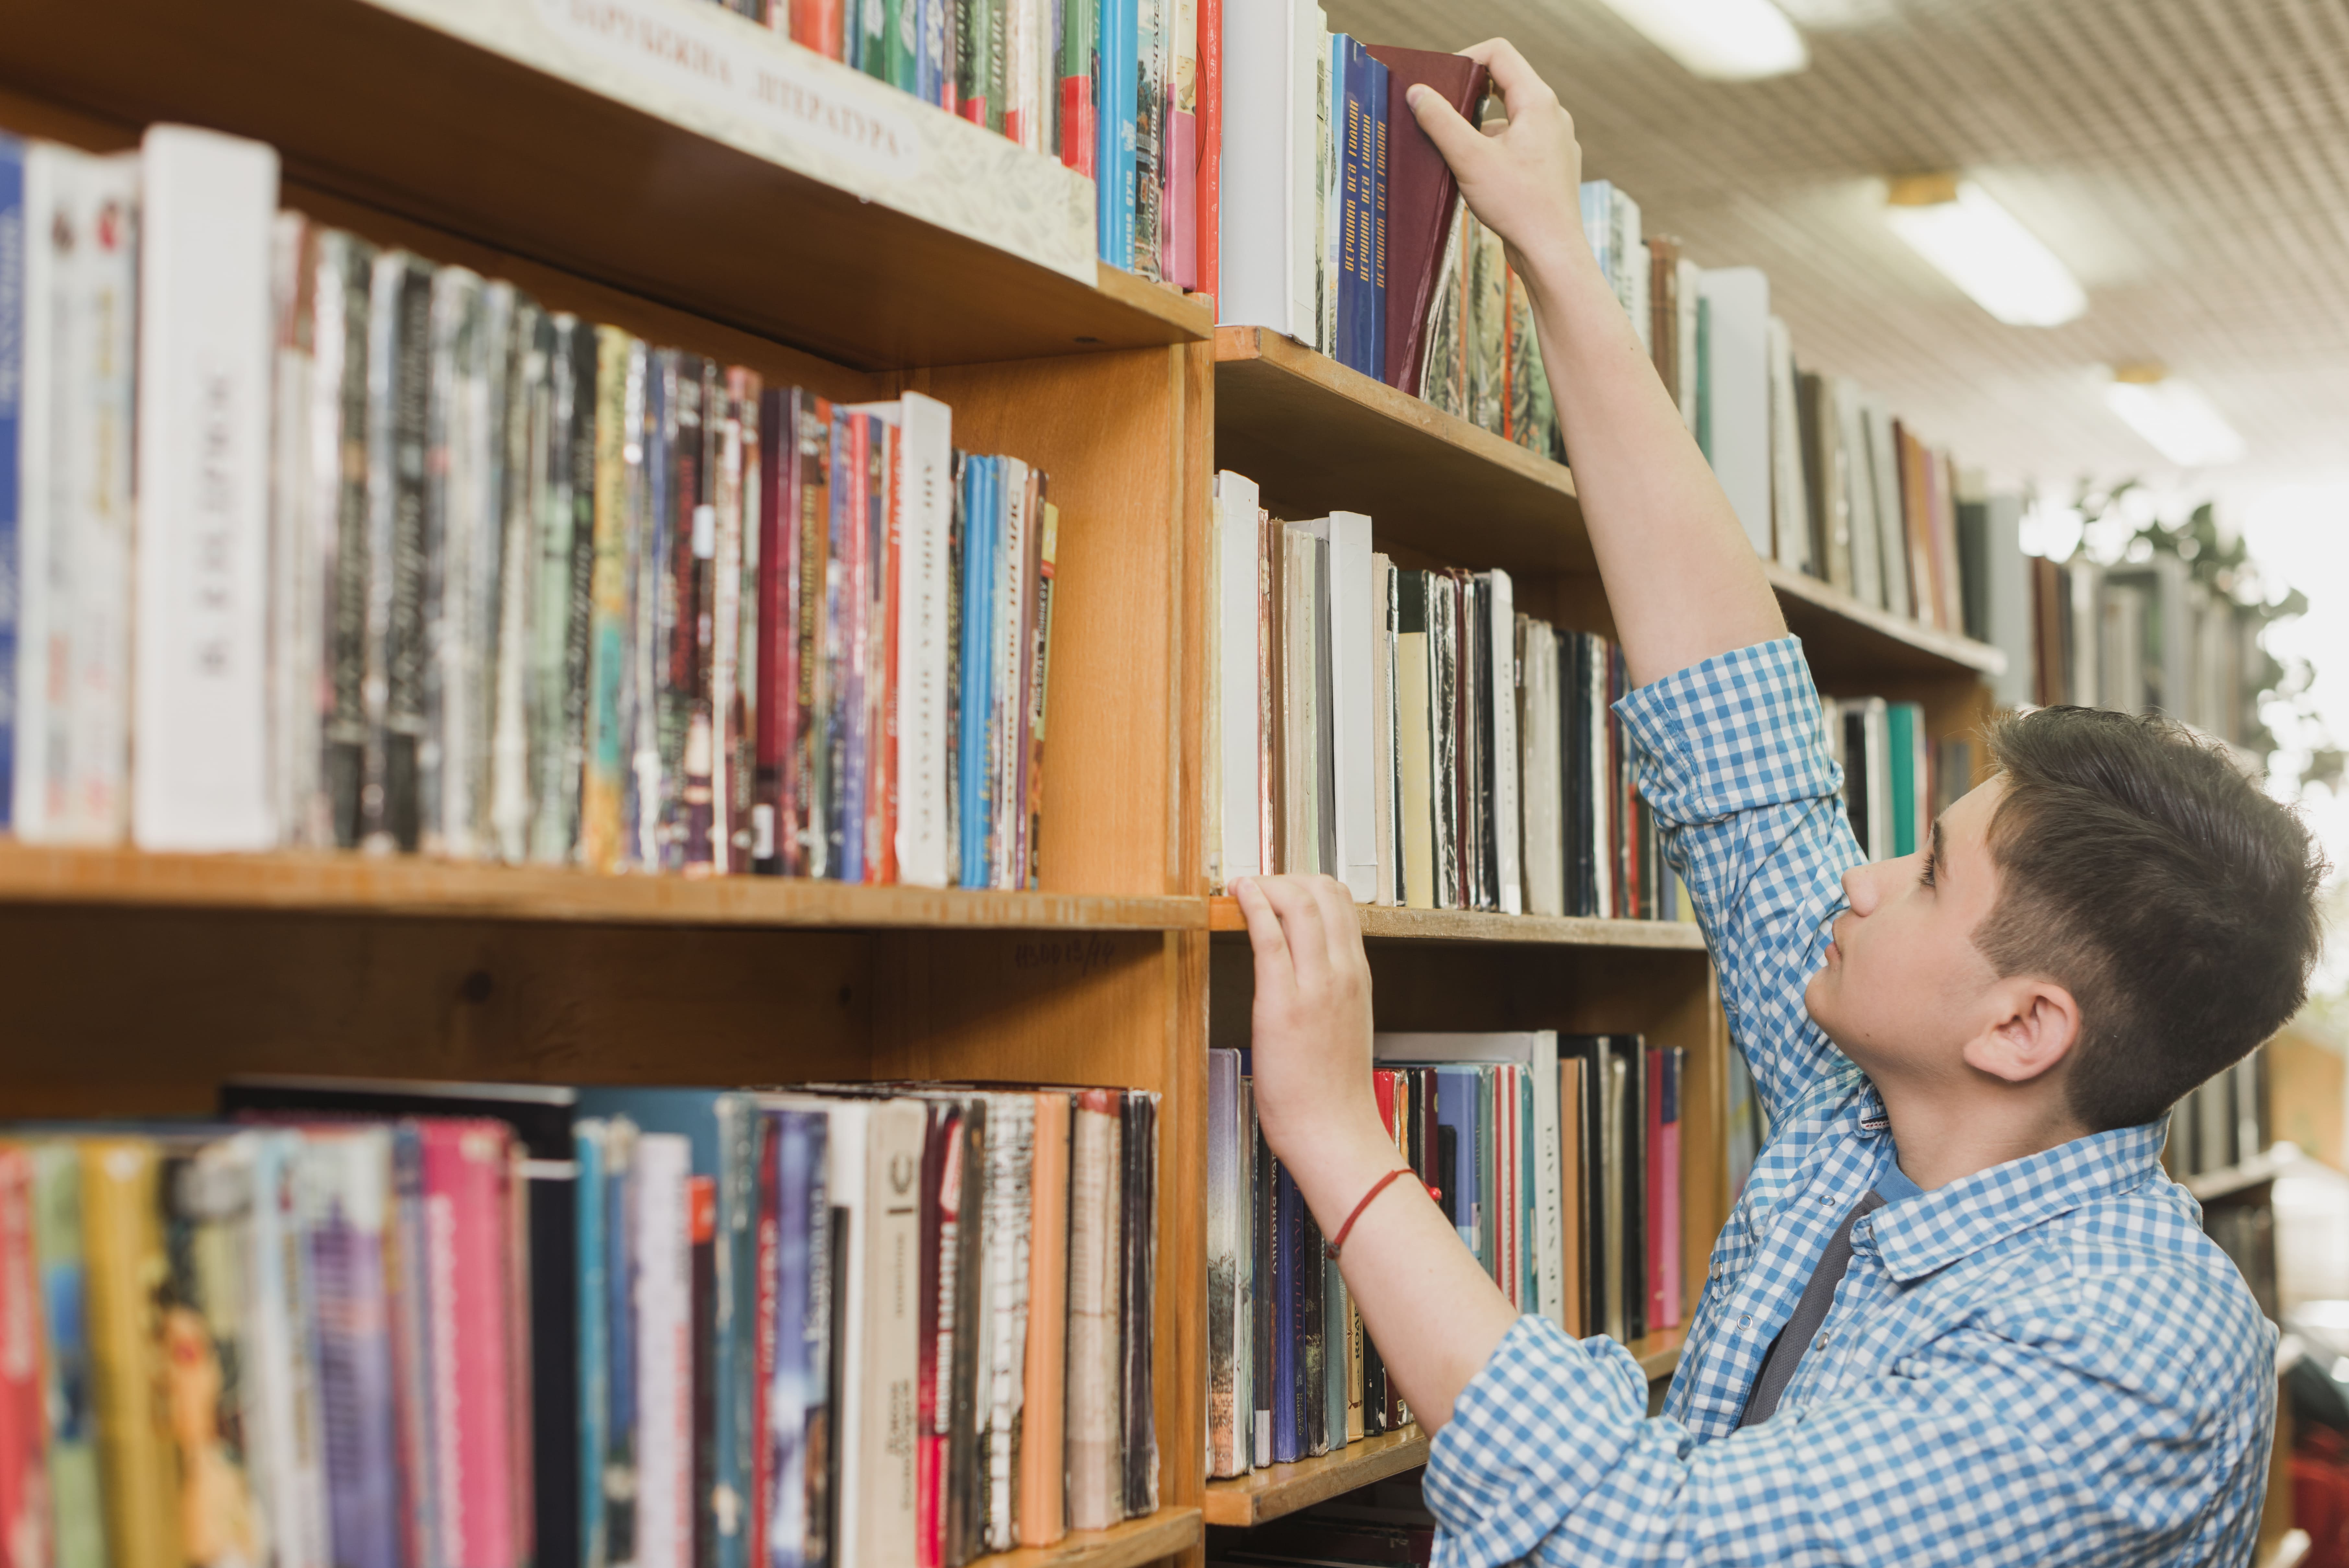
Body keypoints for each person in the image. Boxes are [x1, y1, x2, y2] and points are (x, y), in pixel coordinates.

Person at [1232, 38, 2325, 1566]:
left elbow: (1635, 1544)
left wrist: (1340, 1138)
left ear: (2021, 1028)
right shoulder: (1863, 1114)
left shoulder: (2122, 1354)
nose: (1865, 877)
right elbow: (1741, 746)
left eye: (1930, 877)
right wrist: (1555, 249)